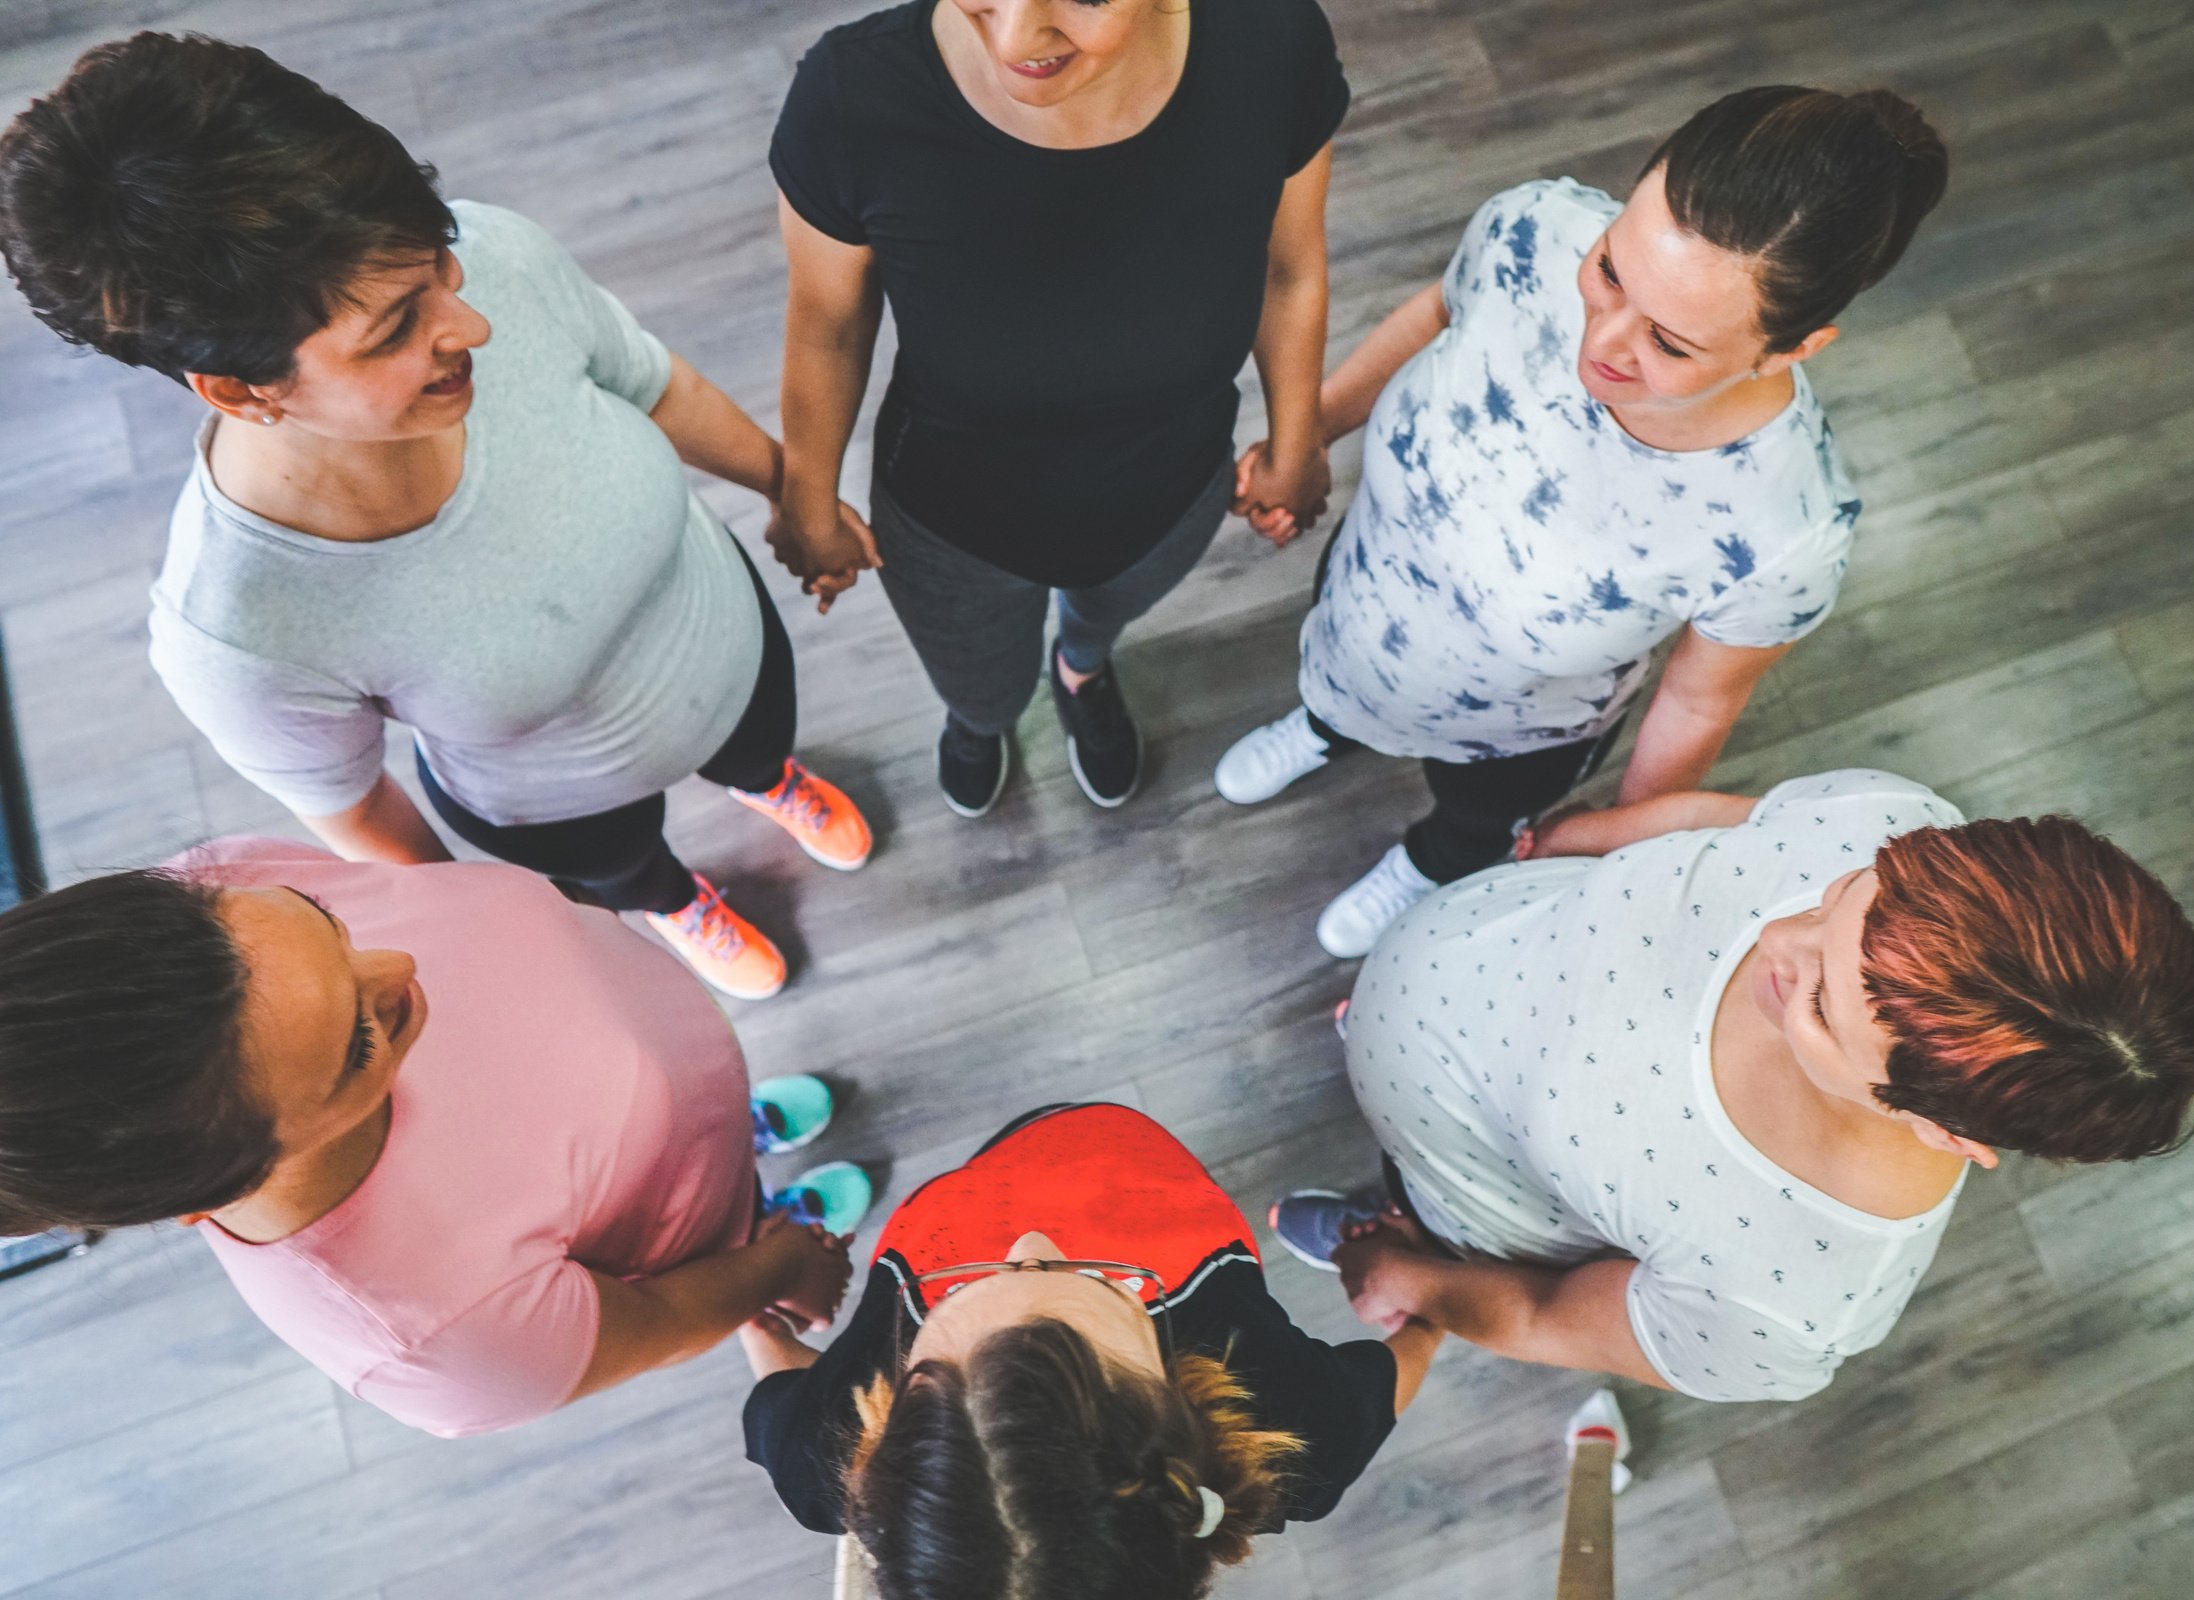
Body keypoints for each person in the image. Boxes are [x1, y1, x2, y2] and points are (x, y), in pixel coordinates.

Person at [0, 33, 872, 1000]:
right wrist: (493, 932)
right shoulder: (241, 637)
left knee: (757, 738)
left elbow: (649, 380)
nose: (471, 324)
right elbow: (359, 809)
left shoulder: (497, 252)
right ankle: (671, 899)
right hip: (564, 805)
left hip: (727, 642)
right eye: (396, 328)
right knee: (621, 865)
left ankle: (764, 777)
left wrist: (795, 497)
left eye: (439, 266)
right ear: (243, 392)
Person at [1212, 86, 1950, 958]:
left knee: (1475, 815)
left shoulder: (1784, 535)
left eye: (1670, 344)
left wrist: (1617, 831)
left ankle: (1431, 859)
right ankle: (1328, 722)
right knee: (1339, 677)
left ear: (1793, 348)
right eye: (1609, 270)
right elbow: (1441, 313)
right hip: (1370, 587)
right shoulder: (1533, 227)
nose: (1601, 342)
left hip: (1510, 731)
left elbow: (1695, 696)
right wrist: (1313, 435)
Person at [1270, 770, 2194, 1403]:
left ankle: (1383, 1212)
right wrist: (1590, 835)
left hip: (1462, 1191)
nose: (1774, 942)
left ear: (1949, 1133)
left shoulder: (1785, 1304)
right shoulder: (1901, 821)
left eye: (1823, 1006)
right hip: (1469, 949)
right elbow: (1731, 822)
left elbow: (1541, 1313)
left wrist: (1416, 1281)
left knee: (1412, 1219)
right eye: (1843, 896)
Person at [0, 839, 862, 1436]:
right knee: (721, 1208)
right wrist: (781, 1265)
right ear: (219, 1188)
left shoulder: (212, 894)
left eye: (320, 917)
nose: (400, 968)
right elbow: (664, 1317)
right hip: (689, 1233)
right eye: (357, 1042)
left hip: (665, 1043)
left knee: (677, 1124)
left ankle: (729, 1132)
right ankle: (760, 1214)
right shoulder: (437, 1340)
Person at [770, 0, 1347, 816]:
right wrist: (807, 498)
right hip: (949, 519)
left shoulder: (1272, 41)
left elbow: (1290, 269)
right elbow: (826, 326)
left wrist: (1299, 448)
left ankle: (1081, 671)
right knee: (976, 677)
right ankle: (980, 720)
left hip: (1169, 491)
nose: (1013, 37)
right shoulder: (852, 95)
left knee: (1102, 621)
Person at [739, 1103, 1440, 1597]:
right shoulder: (1293, 1438)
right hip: (1151, 1181)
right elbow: (1380, 1386)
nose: (1028, 1246)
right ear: (1172, 1411)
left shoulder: (818, 1460)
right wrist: (1432, 1309)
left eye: (963, 1298)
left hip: (975, 1191)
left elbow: (786, 1388)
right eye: (1093, 1287)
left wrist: (757, 1315)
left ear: (877, 1459)